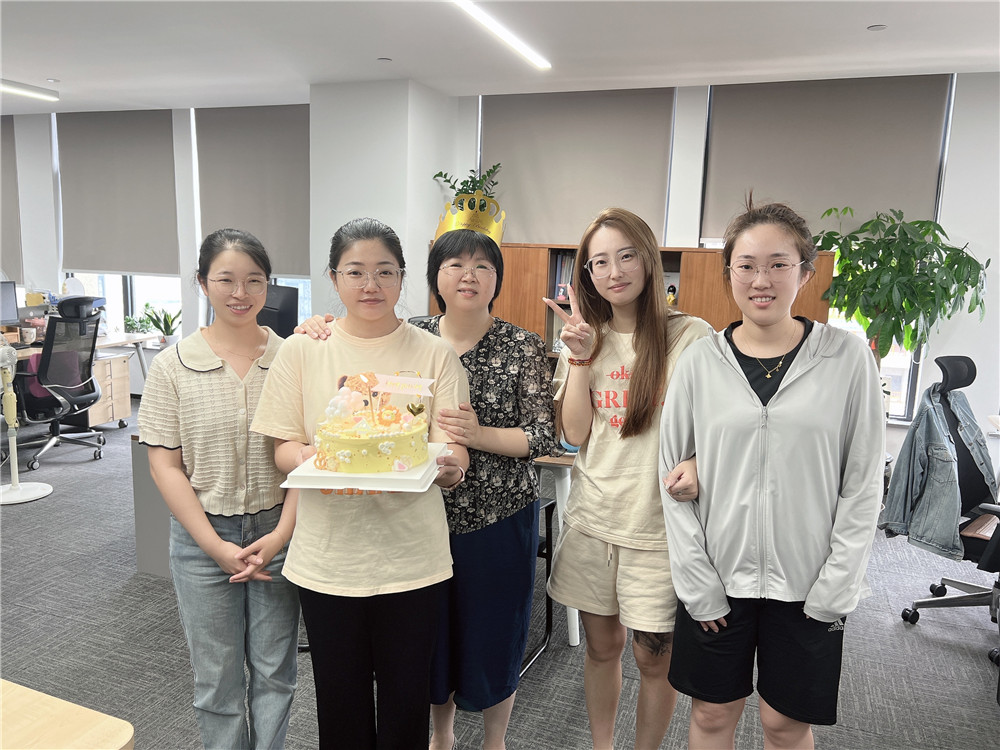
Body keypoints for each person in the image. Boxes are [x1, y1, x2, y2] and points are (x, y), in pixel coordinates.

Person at [658, 198, 885, 749]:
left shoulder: (847, 359)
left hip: (809, 583)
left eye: (779, 264)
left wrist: (835, 587)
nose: (761, 280)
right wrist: (698, 586)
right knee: (712, 716)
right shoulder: (699, 362)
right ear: (729, 273)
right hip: (719, 577)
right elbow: (670, 477)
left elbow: (862, 484)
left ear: (805, 272)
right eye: (747, 265)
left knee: (785, 725)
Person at [250, 217, 470, 749]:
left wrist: (449, 468)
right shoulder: (302, 350)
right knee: (340, 705)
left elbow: (454, 452)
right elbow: (282, 450)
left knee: (405, 706)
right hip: (328, 559)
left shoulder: (435, 354)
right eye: (355, 272)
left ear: (402, 278)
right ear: (333, 277)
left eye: (385, 272)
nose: (370, 285)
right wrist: (315, 455)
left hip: (412, 560)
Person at [542, 207, 712, 750]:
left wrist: (701, 464)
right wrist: (579, 360)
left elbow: (720, 428)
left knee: (653, 660)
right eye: (599, 262)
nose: (613, 271)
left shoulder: (691, 337)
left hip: (657, 529)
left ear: (649, 259)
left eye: (626, 256)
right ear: (587, 274)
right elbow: (574, 435)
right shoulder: (584, 339)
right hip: (594, 520)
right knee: (601, 649)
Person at [137, 228, 300, 750]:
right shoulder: (172, 365)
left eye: (254, 280)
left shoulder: (292, 358)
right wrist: (214, 546)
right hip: (202, 541)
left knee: (276, 672)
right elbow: (164, 466)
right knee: (217, 681)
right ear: (203, 283)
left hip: (278, 533)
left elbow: (307, 458)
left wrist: (279, 537)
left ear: (269, 285)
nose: (240, 293)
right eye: (226, 279)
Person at [415, 229, 558, 750]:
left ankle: (494, 740)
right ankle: (442, 736)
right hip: (420, 517)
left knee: (494, 634)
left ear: (497, 279)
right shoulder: (410, 336)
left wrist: (478, 436)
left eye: (482, 266)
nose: (468, 275)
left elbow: (542, 436)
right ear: (435, 277)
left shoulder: (522, 345)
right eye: (454, 264)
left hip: (499, 517)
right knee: (433, 635)